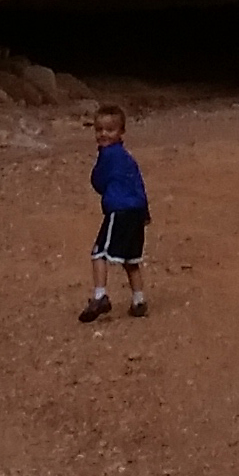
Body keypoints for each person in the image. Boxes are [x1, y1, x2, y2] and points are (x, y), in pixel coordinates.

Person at [81, 105, 149, 323]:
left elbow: (98, 180)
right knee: (131, 258)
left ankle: (100, 295)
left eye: (109, 130)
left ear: (121, 132)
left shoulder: (108, 155)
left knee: (98, 253)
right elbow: (138, 184)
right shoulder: (128, 158)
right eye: (99, 129)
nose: (103, 134)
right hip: (136, 210)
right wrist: (144, 212)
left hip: (119, 210)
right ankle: (138, 299)